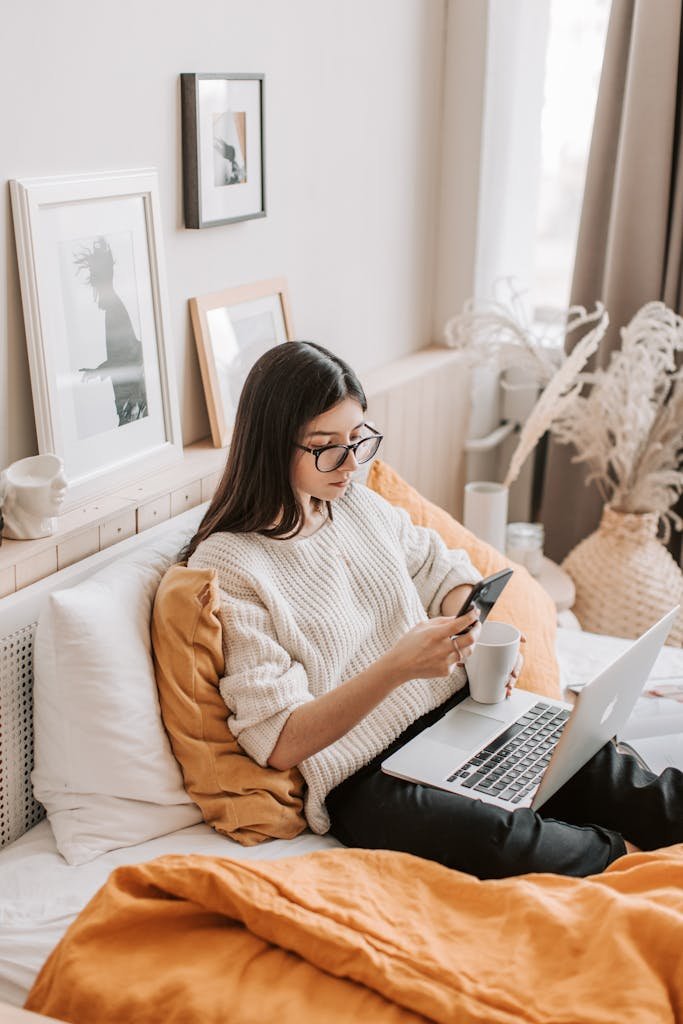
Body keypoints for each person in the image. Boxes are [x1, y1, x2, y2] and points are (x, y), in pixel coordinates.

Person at [186, 341, 683, 879]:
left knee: (601, 765)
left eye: (359, 440)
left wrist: (476, 628)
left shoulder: (354, 501)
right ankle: (637, 874)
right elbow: (279, 742)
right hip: (366, 778)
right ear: (270, 445)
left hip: (457, 715)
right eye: (327, 447)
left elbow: (444, 572)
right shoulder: (231, 564)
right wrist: (396, 667)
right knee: (509, 843)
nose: (351, 463)